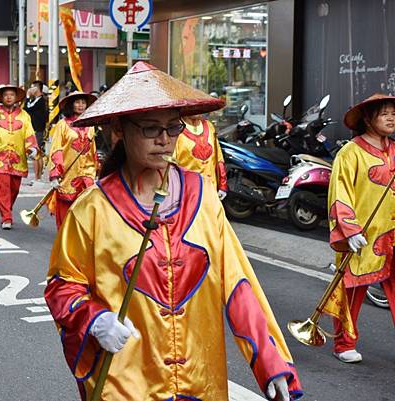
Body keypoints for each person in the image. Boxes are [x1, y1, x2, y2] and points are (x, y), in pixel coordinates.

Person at [44, 62, 302, 401]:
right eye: (151, 129)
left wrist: (270, 363)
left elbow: (237, 283)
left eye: (173, 127)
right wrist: (95, 320)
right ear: (119, 129)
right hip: (127, 380)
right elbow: (63, 286)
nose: (165, 140)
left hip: (200, 377)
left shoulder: (203, 195)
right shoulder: (92, 208)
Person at [328, 93, 395, 363]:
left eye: (393, 112)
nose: (391, 117)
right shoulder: (350, 153)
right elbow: (339, 193)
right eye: (384, 113)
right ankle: (344, 344)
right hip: (362, 237)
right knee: (352, 291)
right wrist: (350, 230)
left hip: (392, 234)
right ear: (368, 119)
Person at [0, 84, 37, 229]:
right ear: (1, 97)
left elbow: (29, 133)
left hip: (18, 158)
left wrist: (31, 148)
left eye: (11, 95)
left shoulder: (24, 115)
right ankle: (6, 217)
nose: (8, 97)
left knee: (14, 188)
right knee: (3, 188)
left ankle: (7, 209)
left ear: (16, 97)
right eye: (6, 95)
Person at [47, 91, 97, 228]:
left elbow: (93, 151)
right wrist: (55, 174)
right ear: (71, 105)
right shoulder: (62, 125)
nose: (81, 105)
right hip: (67, 173)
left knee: (85, 208)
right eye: (77, 102)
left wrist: (96, 170)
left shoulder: (91, 125)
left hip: (87, 173)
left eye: (83, 102)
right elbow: (56, 149)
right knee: (65, 210)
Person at [173, 115, 228, 200]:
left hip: (211, 189)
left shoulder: (209, 126)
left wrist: (222, 184)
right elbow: (171, 165)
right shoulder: (175, 128)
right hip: (187, 193)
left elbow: (218, 158)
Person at [25, 81, 48, 183]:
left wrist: (27, 96)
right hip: (33, 128)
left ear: (37, 89)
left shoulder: (41, 101)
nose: (30, 90)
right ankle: (37, 177)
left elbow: (28, 108)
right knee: (36, 154)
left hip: (38, 129)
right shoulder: (34, 100)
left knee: (36, 154)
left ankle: (37, 178)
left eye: (32, 88)